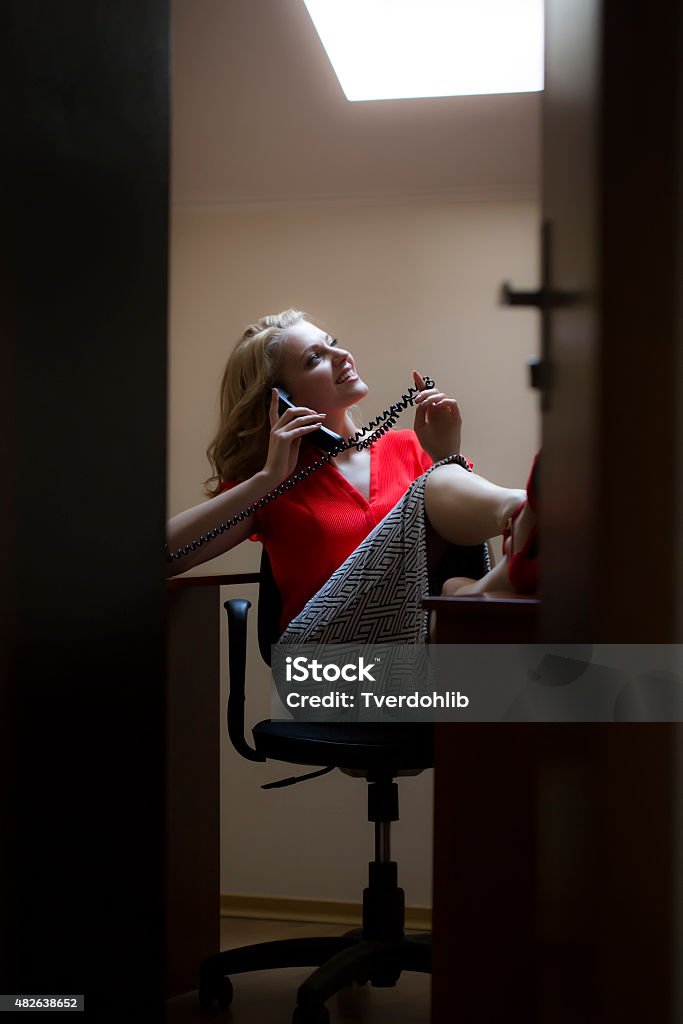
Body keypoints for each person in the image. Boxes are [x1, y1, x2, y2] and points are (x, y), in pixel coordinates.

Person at [166, 309, 538, 644]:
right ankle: (531, 511)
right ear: (279, 400)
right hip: (326, 663)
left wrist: (445, 455)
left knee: (458, 588)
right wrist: (267, 476)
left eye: (333, 344)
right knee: (437, 482)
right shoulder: (271, 485)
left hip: (422, 648)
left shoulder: (408, 446)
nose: (341, 356)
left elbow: (465, 547)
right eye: (315, 358)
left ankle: (528, 520)